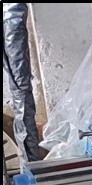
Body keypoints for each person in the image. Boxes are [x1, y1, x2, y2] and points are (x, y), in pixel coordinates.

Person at [3, 3, 41, 167]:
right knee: (20, 92)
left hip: (12, 18)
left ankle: (31, 163)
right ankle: (31, 163)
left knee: (21, 91)